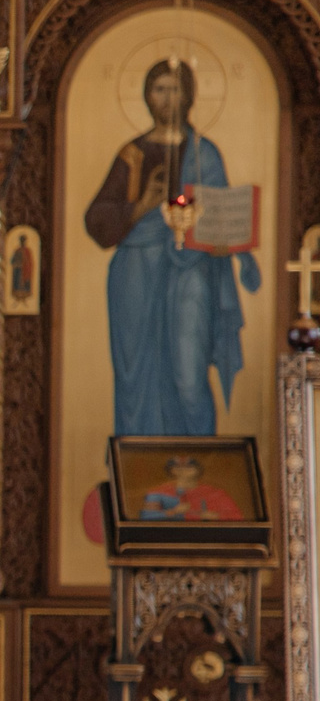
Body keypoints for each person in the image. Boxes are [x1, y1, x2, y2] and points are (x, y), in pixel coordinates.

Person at [84, 57, 261, 434]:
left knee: (188, 375)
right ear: (147, 96)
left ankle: (201, 464)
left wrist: (235, 248)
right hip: (136, 271)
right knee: (134, 377)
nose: (167, 98)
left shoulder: (203, 153)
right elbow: (96, 221)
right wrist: (141, 207)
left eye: (175, 89)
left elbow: (222, 216)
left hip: (190, 273)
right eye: (159, 89)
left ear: (190, 96)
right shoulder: (131, 155)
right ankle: (136, 467)